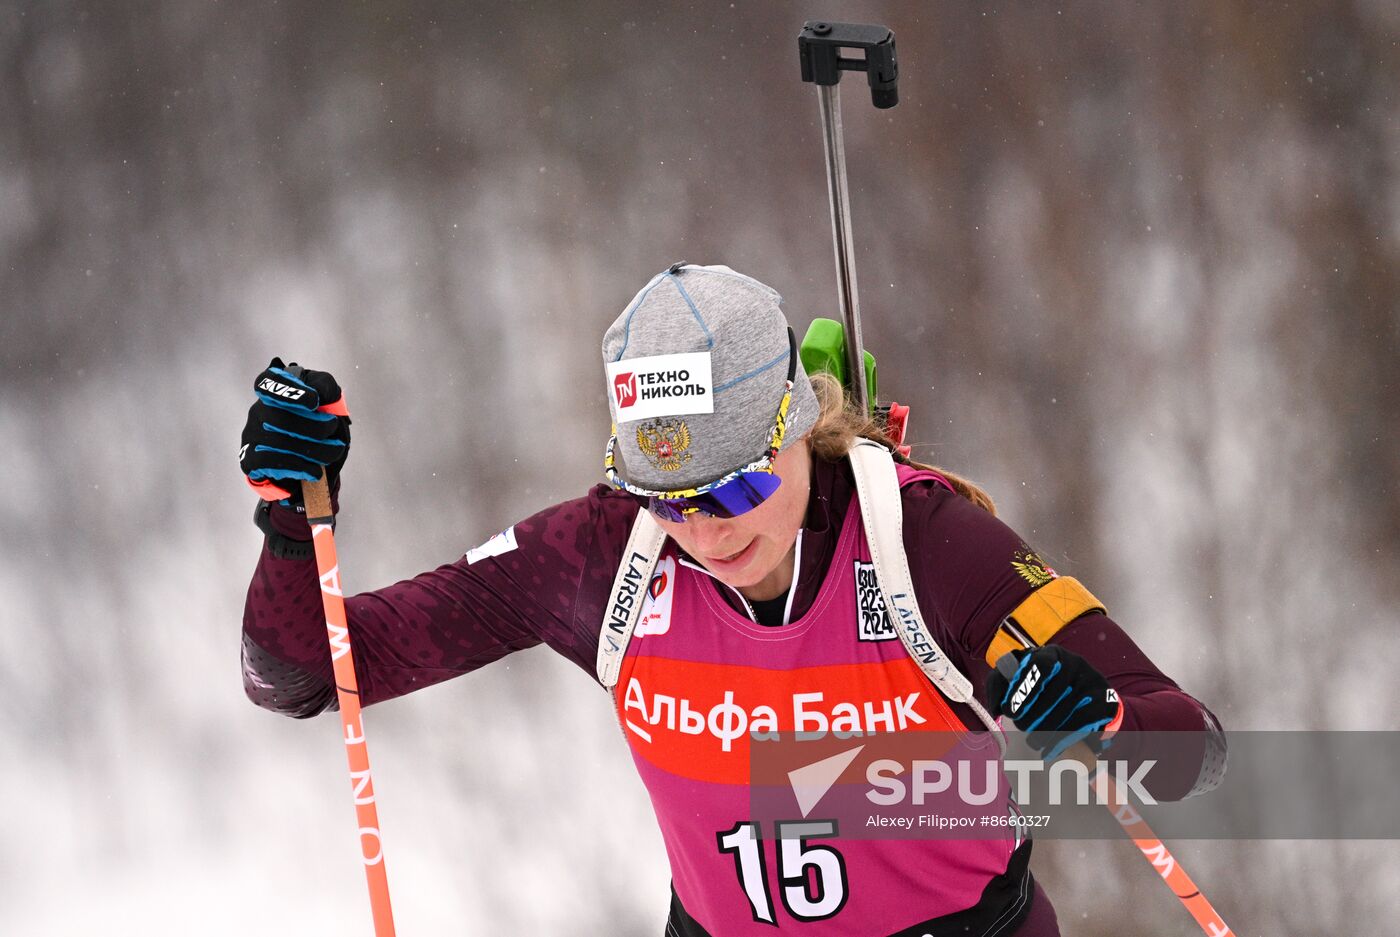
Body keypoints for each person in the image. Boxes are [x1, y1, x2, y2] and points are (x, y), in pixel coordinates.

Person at [240, 263, 1224, 936]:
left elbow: (1191, 751)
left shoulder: (923, 546)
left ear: (799, 422)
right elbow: (301, 672)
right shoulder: (601, 555)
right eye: (669, 502)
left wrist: (1098, 716)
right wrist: (293, 523)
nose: (709, 535)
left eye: (740, 486)